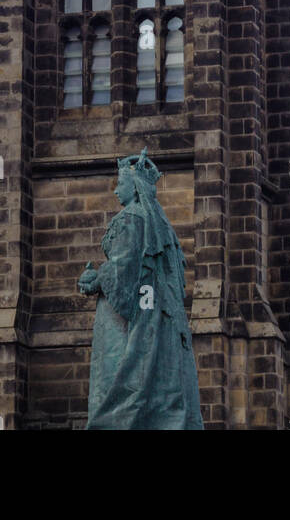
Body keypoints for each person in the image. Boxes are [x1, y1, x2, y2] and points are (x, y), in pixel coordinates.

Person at [78, 148, 204, 430]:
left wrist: (96, 278)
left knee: (120, 381)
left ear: (134, 188)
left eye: (119, 185)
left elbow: (123, 269)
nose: (115, 192)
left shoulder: (131, 218)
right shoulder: (159, 223)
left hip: (129, 320)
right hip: (159, 317)